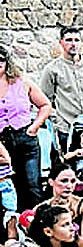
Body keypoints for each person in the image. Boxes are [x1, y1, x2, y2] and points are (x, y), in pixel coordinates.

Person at [0, 45, 52, 210]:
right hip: (2, 141)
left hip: (25, 136)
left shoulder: (22, 83)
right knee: (9, 186)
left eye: (1, 59)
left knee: (32, 184)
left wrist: (34, 127)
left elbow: (45, 105)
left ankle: (36, 224)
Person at [40, 26, 83, 151]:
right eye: (69, 40)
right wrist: (57, 120)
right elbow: (45, 99)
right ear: (61, 43)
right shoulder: (51, 69)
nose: (73, 44)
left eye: (76, 40)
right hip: (68, 127)